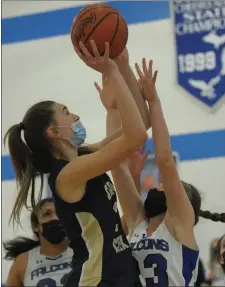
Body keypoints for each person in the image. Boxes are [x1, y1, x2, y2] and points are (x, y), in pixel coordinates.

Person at [4, 40, 148, 287]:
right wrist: (111, 71)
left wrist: (122, 66)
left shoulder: (84, 156)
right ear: (54, 131)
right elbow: (136, 135)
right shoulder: (68, 176)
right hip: (98, 280)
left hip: (118, 276)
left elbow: (141, 124)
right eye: (67, 112)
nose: (76, 116)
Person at [106, 58, 225, 286]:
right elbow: (117, 166)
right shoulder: (137, 222)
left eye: (163, 186)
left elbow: (165, 162)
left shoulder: (180, 224)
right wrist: (112, 109)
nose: (157, 186)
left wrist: (154, 102)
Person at [4, 197, 73, 287]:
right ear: (35, 226)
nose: (55, 218)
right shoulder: (23, 261)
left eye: (59, 213)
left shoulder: (83, 252)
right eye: (47, 214)